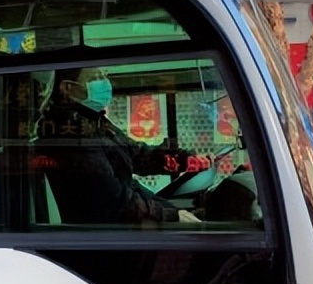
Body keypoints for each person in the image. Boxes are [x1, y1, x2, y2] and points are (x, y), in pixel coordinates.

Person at [38, 66, 200, 226]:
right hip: (103, 235)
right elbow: (112, 198)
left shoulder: (94, 122)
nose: (105, 83)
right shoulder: (71, 133)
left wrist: (182, 159)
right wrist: (169, 216)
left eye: (104, 76)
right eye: (95, 78)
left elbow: (137, 154)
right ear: (68, 88)